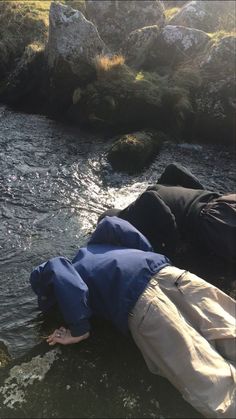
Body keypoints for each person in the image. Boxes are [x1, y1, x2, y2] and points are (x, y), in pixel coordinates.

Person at [30, 216, 236, 418]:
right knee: (228, 329)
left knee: (207, 380)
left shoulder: (71, 268)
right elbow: (114, 223)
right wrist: (147, 255)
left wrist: (79, 330)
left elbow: (62, 273)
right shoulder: (98, 245)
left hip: (143, 303)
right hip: (171, 275)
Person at [98, 163, 236, 261]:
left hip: (213, 221)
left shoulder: (130, 215)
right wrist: (201, 195)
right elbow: (174, 167)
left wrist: (174, 246)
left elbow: (150, 198)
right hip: (223, 201)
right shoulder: (158, 185)